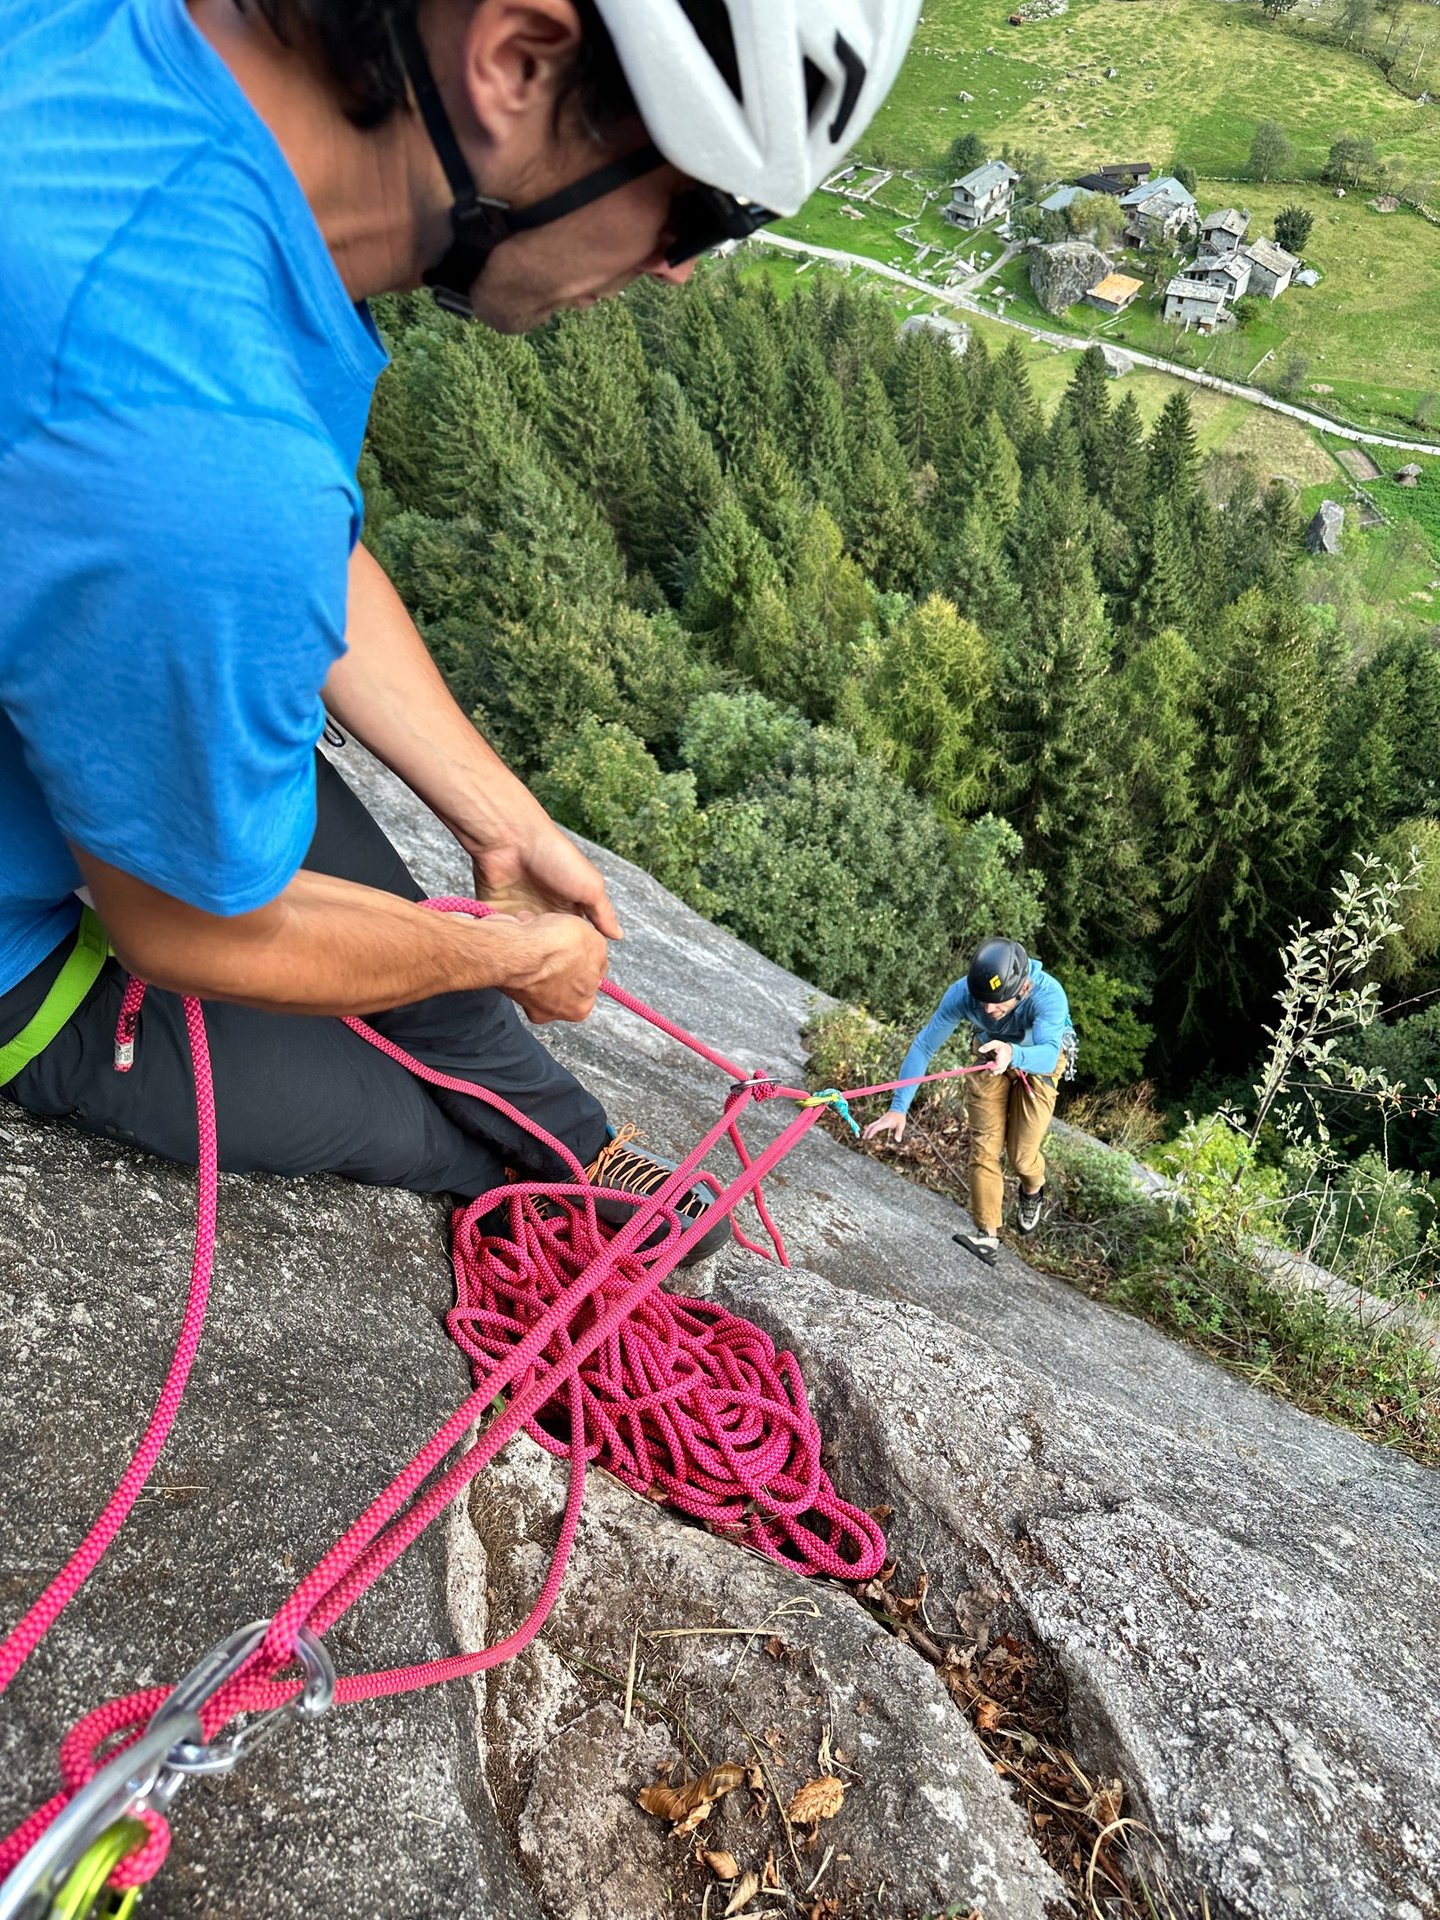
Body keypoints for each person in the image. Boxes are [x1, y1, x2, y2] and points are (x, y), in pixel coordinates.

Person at [0, 0, 922, 1254]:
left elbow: (272, 564)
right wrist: (498, 961)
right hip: (26, 949)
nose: (680, 266)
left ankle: (578, 1153)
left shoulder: (137, 80)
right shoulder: (196, 444)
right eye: (698, 206)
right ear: (516, 56)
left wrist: (500, 815)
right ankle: (524, 1183)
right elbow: (185, 925)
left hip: (64, 716)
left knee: (427, 951)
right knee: (406, 1125)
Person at [862, 938, 1073, 1263]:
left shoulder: (1047, 994)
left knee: (1021, 1156)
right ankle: (988, 1235)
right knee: (984, 1144)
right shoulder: (963, 994)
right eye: (983, 1001)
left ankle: (1032, 1189)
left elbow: (1047, 1055)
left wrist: (1013, 1052)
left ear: (1023, 987)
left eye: (998, 1001)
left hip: (1036, 1062)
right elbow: (924, 1046)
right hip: (989, 1056)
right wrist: (898, 1107)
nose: (988, 1009)